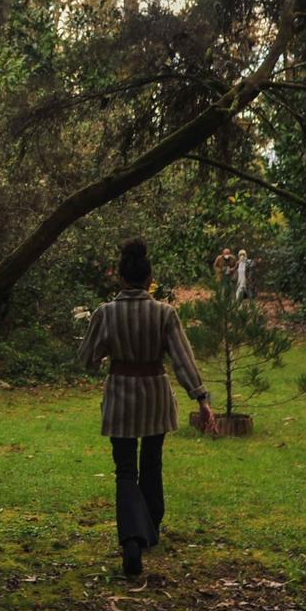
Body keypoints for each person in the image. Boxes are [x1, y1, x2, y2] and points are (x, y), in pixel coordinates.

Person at [77, 238, 216, 577]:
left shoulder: (105, 313)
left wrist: (109, 353)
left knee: (125, 470)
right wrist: (201, 398)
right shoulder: (165, 313)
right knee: (151, 463)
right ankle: (150, 528)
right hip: (155, 394)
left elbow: (86, 360)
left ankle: (132, 540)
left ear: (121, 278)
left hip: (121, 395)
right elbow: (183, 360)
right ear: (149, 279)